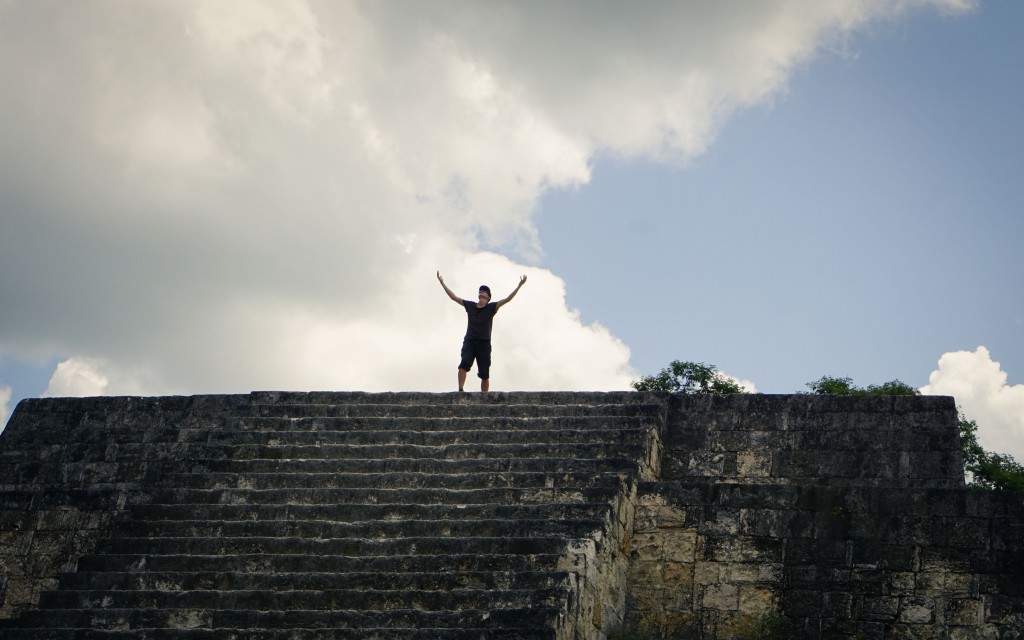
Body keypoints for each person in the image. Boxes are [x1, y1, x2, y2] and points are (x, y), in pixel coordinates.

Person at [437, 271, 527, 392]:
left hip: (484, 343)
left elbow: (507, 299)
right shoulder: (470, 305)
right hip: (470, 340)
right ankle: (460, 390)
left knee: (484, 373)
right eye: (480, 291)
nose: (481, 292)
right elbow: (453, 297)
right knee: (464, 364)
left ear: (488, 297)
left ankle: (484, 398)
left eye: (484, 291)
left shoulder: (491, 307)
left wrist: (519, 285)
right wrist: (442, 283)